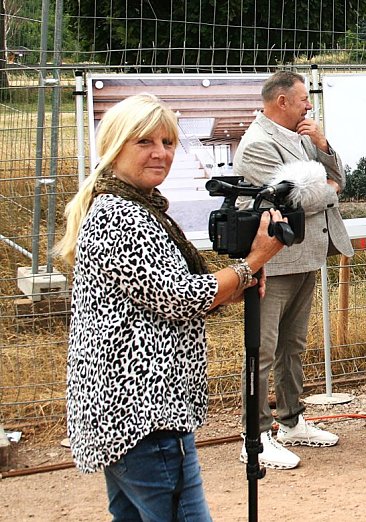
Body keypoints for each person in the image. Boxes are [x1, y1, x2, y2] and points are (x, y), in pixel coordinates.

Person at [57, 93, 287, 520]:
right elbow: (181, 296)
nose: (160, 153)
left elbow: (164, 292)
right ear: (115, 147)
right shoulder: (122, 216)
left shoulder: (126, 207)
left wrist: (239, 280)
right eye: (144, 142)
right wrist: (253, 262)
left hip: (123, 415)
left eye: (167, 142)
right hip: (144, 416)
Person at [233, 71, 354, 470]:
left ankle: (291, 420)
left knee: (293, 347)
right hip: (273, 261)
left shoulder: (303, 136)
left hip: (306, 255)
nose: (309, 106)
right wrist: (331, 188)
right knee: (263, 350)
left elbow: (339, 177)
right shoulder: (256, 145)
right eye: (303, 99)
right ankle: (256, 435)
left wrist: (323, 144)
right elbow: (292, 198)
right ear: (281, 101)